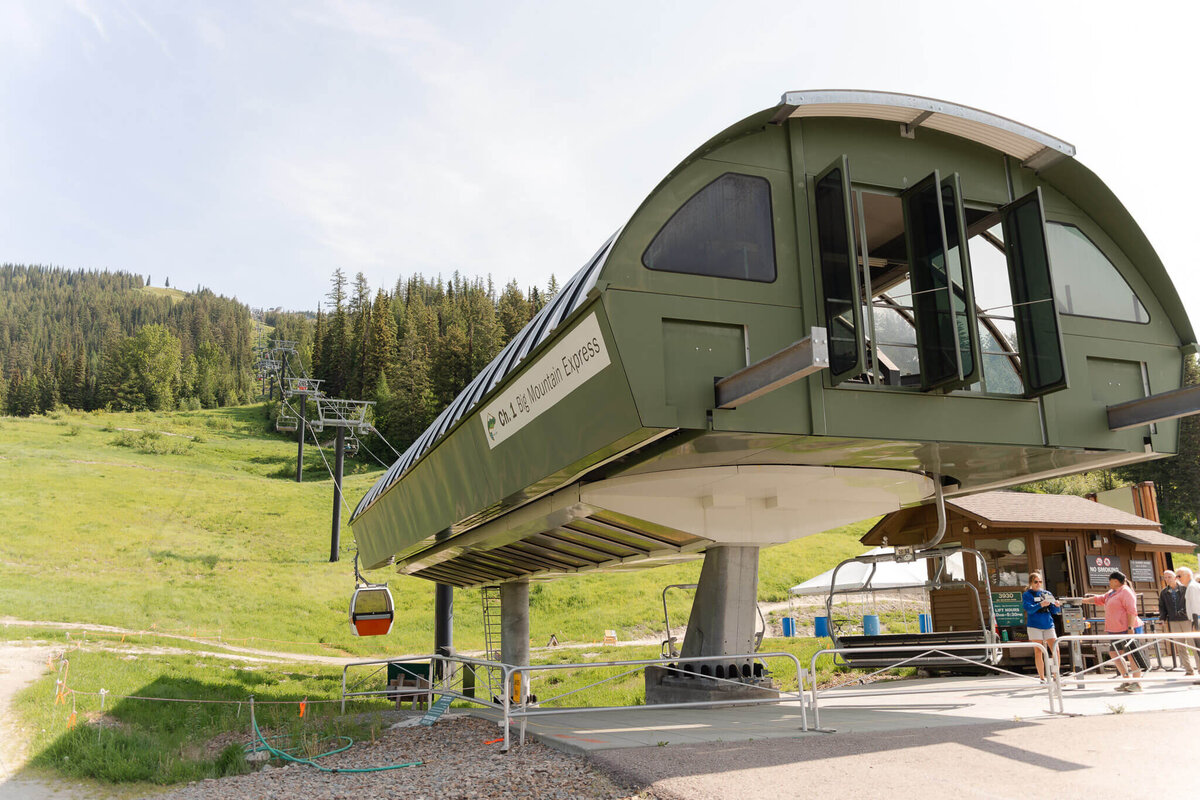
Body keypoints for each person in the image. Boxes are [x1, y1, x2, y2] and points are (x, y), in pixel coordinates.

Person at [1086, 571, 1143, 692]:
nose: (1109, 583)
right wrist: (1081, 601)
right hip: (1115, 629)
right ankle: (1127, 679)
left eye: (1110, 581)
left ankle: (1137, 683)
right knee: (1114, 653)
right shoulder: (1112, 592)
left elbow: (1132, 610)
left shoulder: (1126, 591)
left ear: (1115, 581)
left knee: (1132, 655)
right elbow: (1100, 599)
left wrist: (1130, 628)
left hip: (1127, 628)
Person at [1022, 571, 1061, 681]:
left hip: (1048, 624)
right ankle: (1042, 677)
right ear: (1031, 583)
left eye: (1040, 581)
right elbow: (1029, 609)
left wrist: (1057, 605)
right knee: (1038, 651)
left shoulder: (1047, 593)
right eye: (1036, 582)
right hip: (1034, 625)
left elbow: (1054, 610)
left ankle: (1056, 675)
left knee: (1055, 649)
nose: (1038, 584)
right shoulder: (1027, 594)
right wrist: (1040, 604)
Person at [1159, 569, 1195, 676]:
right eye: (1165, 577)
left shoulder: (1185, 589)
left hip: (1187, 620)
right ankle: (1189, 670)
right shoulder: (1164, 592)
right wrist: (1162, 618)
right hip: (1173, 621)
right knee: (1180, 647)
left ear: (1175, 577)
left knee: (1194, 644)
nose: (1167, 579)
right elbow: (1162, 607)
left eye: (1169, 577)